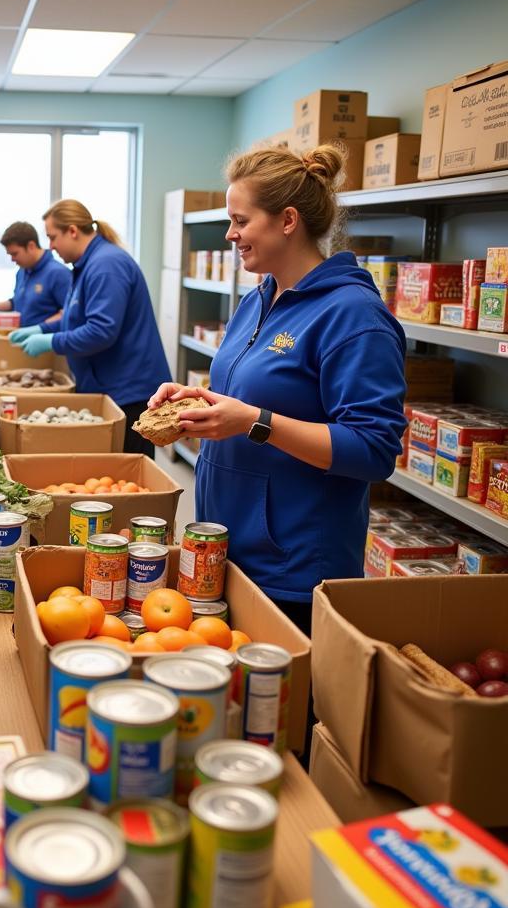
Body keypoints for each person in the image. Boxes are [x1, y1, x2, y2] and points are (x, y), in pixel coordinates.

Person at [147, 144, 407, 632]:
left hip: (295, 568)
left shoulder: (353, 315)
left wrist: (255, 423)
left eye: (241, 220)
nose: (230, 234)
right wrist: (198, 399)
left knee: (281, 705)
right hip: (229, 546)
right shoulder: (259, 297)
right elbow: (256, 392)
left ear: (287, 220)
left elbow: (374, 450)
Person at [10, 200, 171, 457]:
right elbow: (75, 318)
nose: (50, 246)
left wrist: (51, 342)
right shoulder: (86, 266)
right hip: (106, 385)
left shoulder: (106, 265)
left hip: (127, 392)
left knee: (125, 475)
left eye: (53, 237)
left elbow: (101, 330)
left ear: (72, 231)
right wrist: (41, 329)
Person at [0, 221, 71, 328]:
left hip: (46, 341)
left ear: (31, 246)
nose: (12, 259)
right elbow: (17, 302)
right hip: (23, 339)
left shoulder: (59, 274)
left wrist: (39, 329)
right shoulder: (22, 272)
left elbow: (68, 313)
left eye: (15, 254)